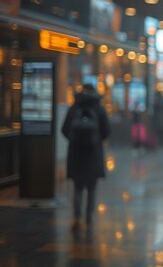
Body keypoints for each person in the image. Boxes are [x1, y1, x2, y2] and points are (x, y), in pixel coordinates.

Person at [61, 84, 110, 230]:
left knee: (77, 188)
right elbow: (107, 131)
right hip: (93, 155)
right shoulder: (99, 109)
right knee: (92, 188)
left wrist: (74, 140)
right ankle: (89, 217)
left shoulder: (74, 108)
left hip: (76, 154)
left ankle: (77, 217)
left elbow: (64, 129)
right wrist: (96, 140)